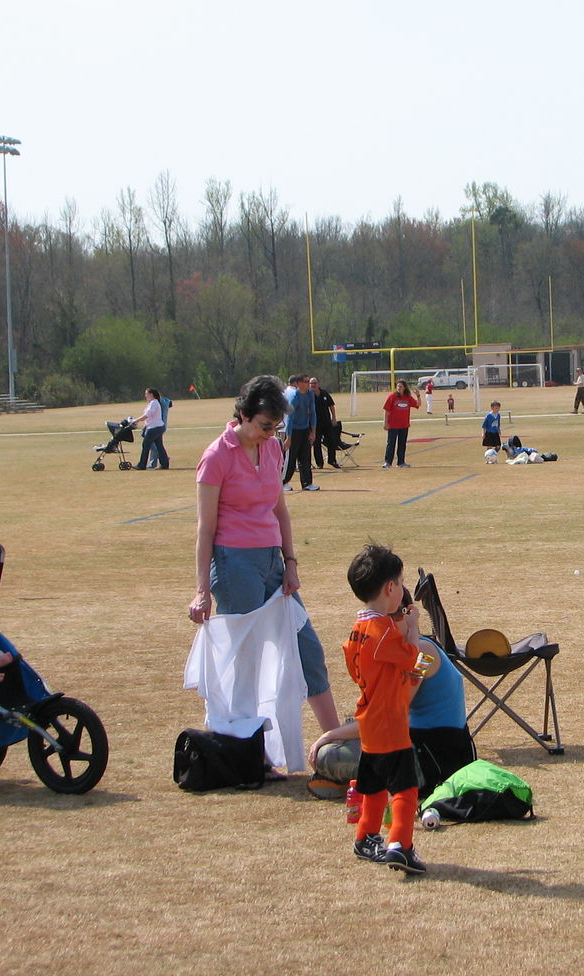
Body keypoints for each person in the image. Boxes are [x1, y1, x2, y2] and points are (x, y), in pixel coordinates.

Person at [189, 375, 340, 741]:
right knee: (248, 662)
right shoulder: (216, 457)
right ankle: (246, 746)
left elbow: (280, 511)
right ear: (242, 415)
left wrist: (290, 563)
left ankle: (338, 743)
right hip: (233, 565)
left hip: (273, 562)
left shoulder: (273, 449)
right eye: (264, 426)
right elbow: (205, 529)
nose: (270, 434)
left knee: (308, 650)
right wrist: (201, 591)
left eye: (276, 427)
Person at [342, 543, 428, 875]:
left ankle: (365, 836)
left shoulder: (358, 630)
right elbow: (413, 656)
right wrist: (414, 627)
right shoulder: (382, 634)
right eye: (401, 582)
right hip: (390, 720)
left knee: (373, 785)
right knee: (405, 787)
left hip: (369, 718)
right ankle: (400, 845)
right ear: (390, 588)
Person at [308, 632, 475, 800]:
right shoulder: (409, 649)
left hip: (434, 760)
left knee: (327, 754)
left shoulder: (423, 654)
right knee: (348, 731)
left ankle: (350, 779)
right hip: (421, 744)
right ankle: (352, 778)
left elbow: (387, 715)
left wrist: (331, 734)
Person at [282, 374, 319, 491]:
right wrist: (288, 437)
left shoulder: (310, 395)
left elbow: (313, 413)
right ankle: (283, 482)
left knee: (305, 457)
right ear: (298, 384)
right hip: (293, 430)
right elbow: (289, 418)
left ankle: (307, 483)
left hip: (305, 429)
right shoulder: (294, 397)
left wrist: (313, 432)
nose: (308, 384)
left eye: (309, 381)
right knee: (291, 458)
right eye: (305, 381)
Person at [381, 380, 419, 469]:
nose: (399, 388)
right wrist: (385, 422)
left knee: (402, 444)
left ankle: (401, 462)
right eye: (398, 386)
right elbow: (386, 410)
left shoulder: (407, 397)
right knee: (391, 443)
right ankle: (387, 462)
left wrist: (418, 396)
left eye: (400, 386)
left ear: (404, 388)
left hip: (404, 425)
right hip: (393, 425)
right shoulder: (392, 396)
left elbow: (417, 404)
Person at [130, 388, 170, 470]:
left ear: (151, 394)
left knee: (146, 445)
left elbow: (147, 415)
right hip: (157, 427)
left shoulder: (154, 403)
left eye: (146, 394)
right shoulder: (152, 403)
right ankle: (165, 464)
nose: (145, 396)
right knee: (159, 446)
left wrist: (135, 420)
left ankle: (142, 465)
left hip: (154, 428)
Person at [311, 376, 341, 470]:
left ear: (318, 383)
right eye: (311, 383)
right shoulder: (308, 395)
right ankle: (319, 463)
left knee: (331, 441)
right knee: (317, 443)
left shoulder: (324, 393)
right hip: (315, 424)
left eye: (315, 383)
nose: (313, 385)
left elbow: (331, 405)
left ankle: (332, 460)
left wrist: (334, 418)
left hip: (327, 422)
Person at [148, 391, 173, 468]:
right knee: (157, 443)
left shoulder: (156, 402)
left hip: (157, 425)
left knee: (151, 443)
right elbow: (171, 404)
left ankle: (163, 457)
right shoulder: (165, 400)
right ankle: (153, 463)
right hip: (162, 424)